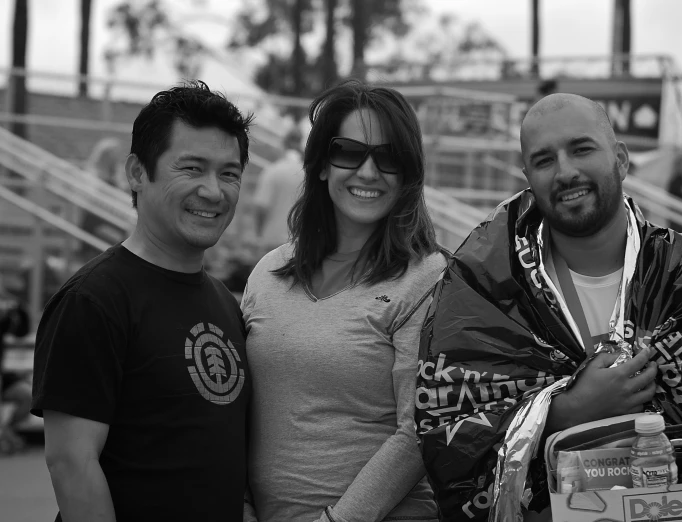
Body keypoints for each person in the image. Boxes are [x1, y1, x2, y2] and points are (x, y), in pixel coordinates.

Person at [415, 93, 682, 521]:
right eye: (544, 160)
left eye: (581, 149)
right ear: (527, 176)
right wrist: (563, 411)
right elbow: (447, 434)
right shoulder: (483, 286)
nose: (566, 172)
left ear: (620, 158)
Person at [31, 81, 254, 522]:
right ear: (136, 172)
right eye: (192, 168)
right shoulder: (93, 301)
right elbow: (72, 464)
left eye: (229, 173)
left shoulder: (226, 304)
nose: (214, 191)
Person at [241, 79, 445, 522]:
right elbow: (239, 407)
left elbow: (417, 432)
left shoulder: (428, 278)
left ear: (408, 173)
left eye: (388, 157)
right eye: (349, 152)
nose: (368, 172)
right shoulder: (267, 274)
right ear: (320, 165)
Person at [252, 128, 305, 256]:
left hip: (272, 240)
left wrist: (259, 233)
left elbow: (261, 206)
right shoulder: (308, 174)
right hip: (301, 241)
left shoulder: (273, 171)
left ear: (283, 145)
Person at [0, 275, 31, 455]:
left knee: (27, 396)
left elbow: (21, 332)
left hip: (3, 376)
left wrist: (18, 307)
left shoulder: (6, 310)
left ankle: (6, 431)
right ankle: (6, 436)